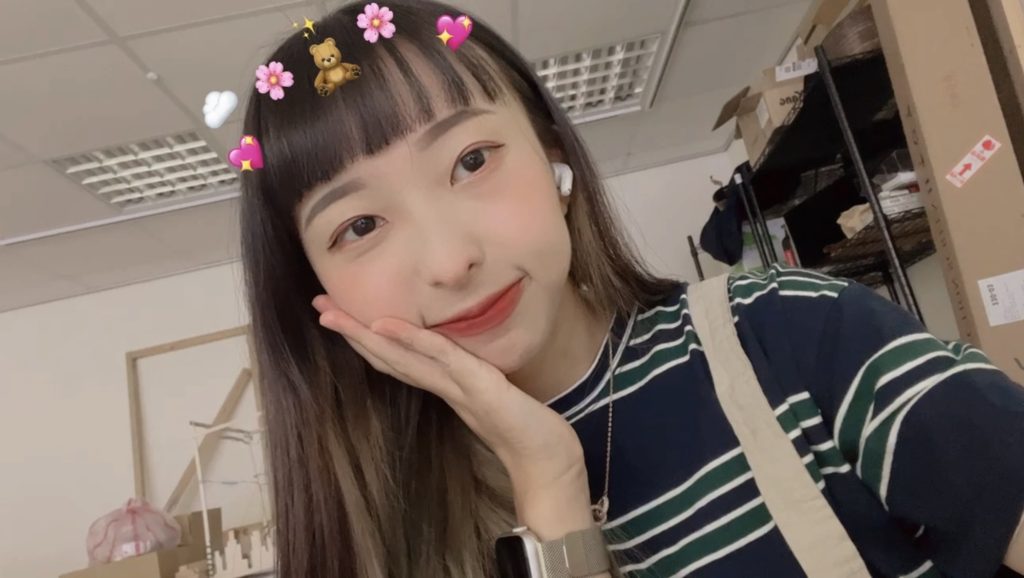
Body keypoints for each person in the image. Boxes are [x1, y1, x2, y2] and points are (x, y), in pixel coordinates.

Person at [238, 1, 1024, 576]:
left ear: (555, 162)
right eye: (359, 225)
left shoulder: (787, 336)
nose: (449, 261)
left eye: (472, 161)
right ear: (315, 291)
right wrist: (549, 484)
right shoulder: (366, 529)